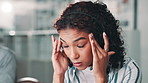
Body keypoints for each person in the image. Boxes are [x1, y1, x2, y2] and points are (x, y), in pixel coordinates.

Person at [51, 1, 142, 83]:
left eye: (80, 46)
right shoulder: (67, 71)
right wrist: (59, 75)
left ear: (101, 40)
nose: (73, 55)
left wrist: (100, 77)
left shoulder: (129, 70)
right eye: (66, 46)